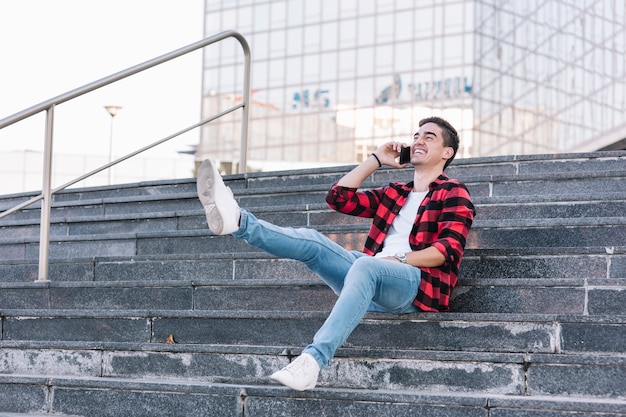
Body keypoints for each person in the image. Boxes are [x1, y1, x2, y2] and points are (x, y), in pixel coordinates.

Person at [196, 116, 475, 391]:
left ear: (446, 152)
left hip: (414, 284)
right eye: (416, 135)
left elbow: (446, 250)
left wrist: (398, 259)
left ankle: (313, 361)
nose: (418, 141)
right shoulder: (396, 193)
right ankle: (238, 221)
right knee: (313, 242)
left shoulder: (453, 192)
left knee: (366, 265)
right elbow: (339, 198)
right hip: (370, 275)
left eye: (429, 137)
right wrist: (376, 159)